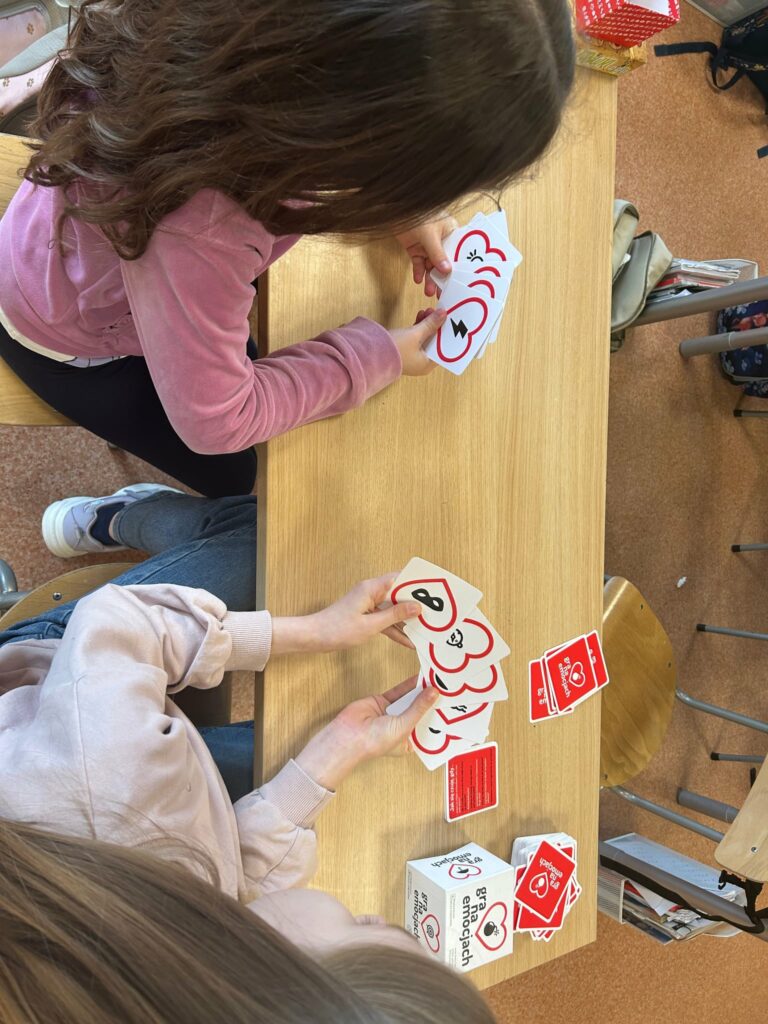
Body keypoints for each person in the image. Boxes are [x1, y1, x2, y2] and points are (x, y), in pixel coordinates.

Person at [0, 0, 575, 497]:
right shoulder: (204, 227)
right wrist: (379, 357)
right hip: (65, 334)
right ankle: (127, 516)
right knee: (239, 476)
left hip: (88, 219)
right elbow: (218, 420)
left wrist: (397, 206)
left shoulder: (245, 43)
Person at [0, 484, 497, 1021]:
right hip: (110, 761)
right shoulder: (200, 989)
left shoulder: (111, 787)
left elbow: (122, 623)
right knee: (299, 724)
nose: (375, 915)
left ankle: (113, 520)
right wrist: (338, 750)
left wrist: (312, 632)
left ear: (266, 961)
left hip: (58, 666)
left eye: (360, 924)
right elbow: (241, 889)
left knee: (263, 536)